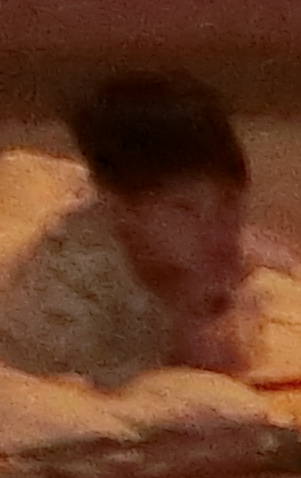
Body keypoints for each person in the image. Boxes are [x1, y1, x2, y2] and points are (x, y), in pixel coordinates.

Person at [0, 71, 270, 388]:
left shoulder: (201, 249)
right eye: (183, 209)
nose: (215, 228)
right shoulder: (76, 280)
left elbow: (235, 344)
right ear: (120, 208)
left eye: (229, 202)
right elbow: (95, 388)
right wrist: (187, 323)